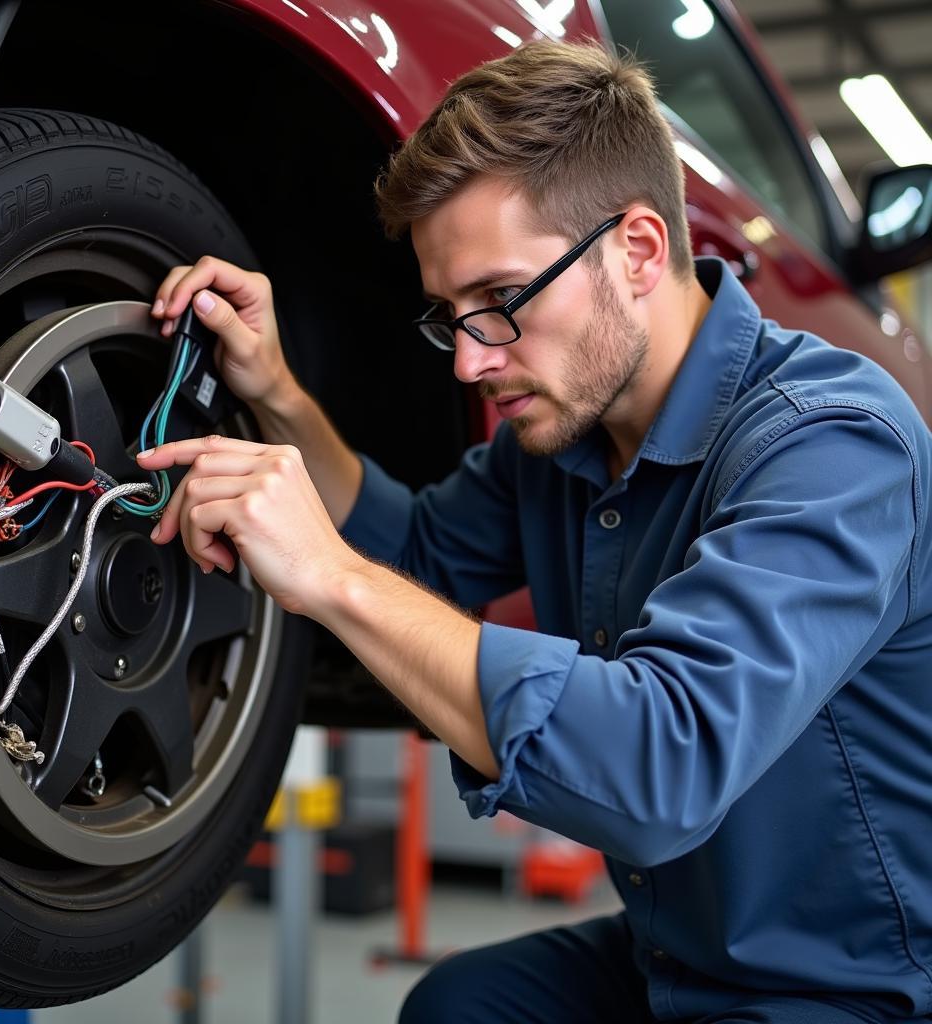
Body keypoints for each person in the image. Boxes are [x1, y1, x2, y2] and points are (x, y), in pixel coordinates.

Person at [138, 39, 932, 1024]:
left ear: (638, 249)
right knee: (458, 1008)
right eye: (448, 315)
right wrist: (281, 395)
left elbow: (659, 765)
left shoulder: (833, 444)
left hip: (855, 990)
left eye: (500, 301)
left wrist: (331, 576)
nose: (468, 364)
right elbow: (418, 562)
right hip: (676, 954)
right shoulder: (559, 436)